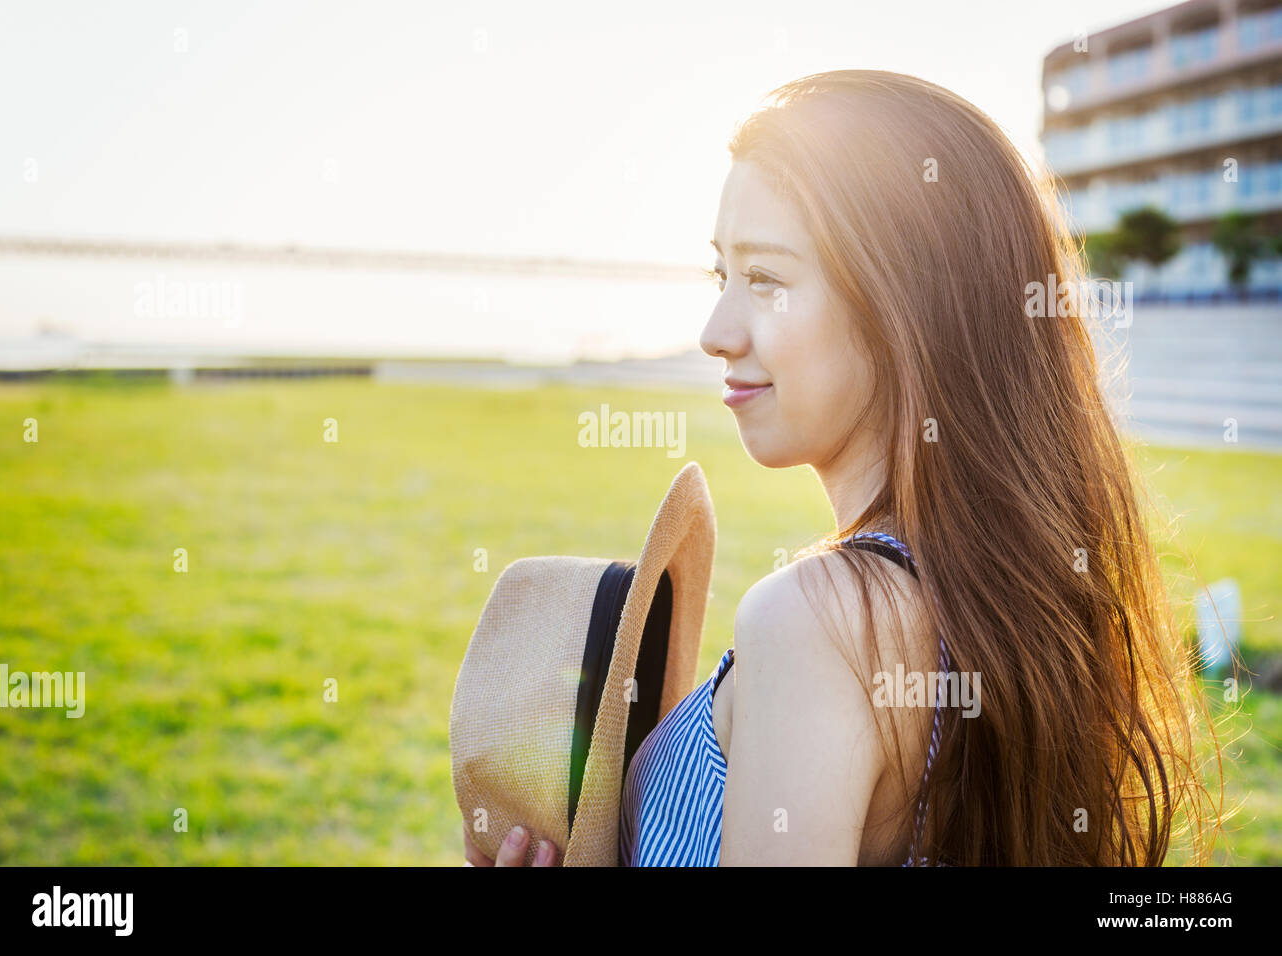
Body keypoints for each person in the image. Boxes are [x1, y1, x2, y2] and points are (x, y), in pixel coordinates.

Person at [468, 69, 1221, 867]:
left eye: (766, 279)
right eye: (722, 277)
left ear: (906, 303)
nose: (716, 331)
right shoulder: (1012, 601)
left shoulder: (813, 622)